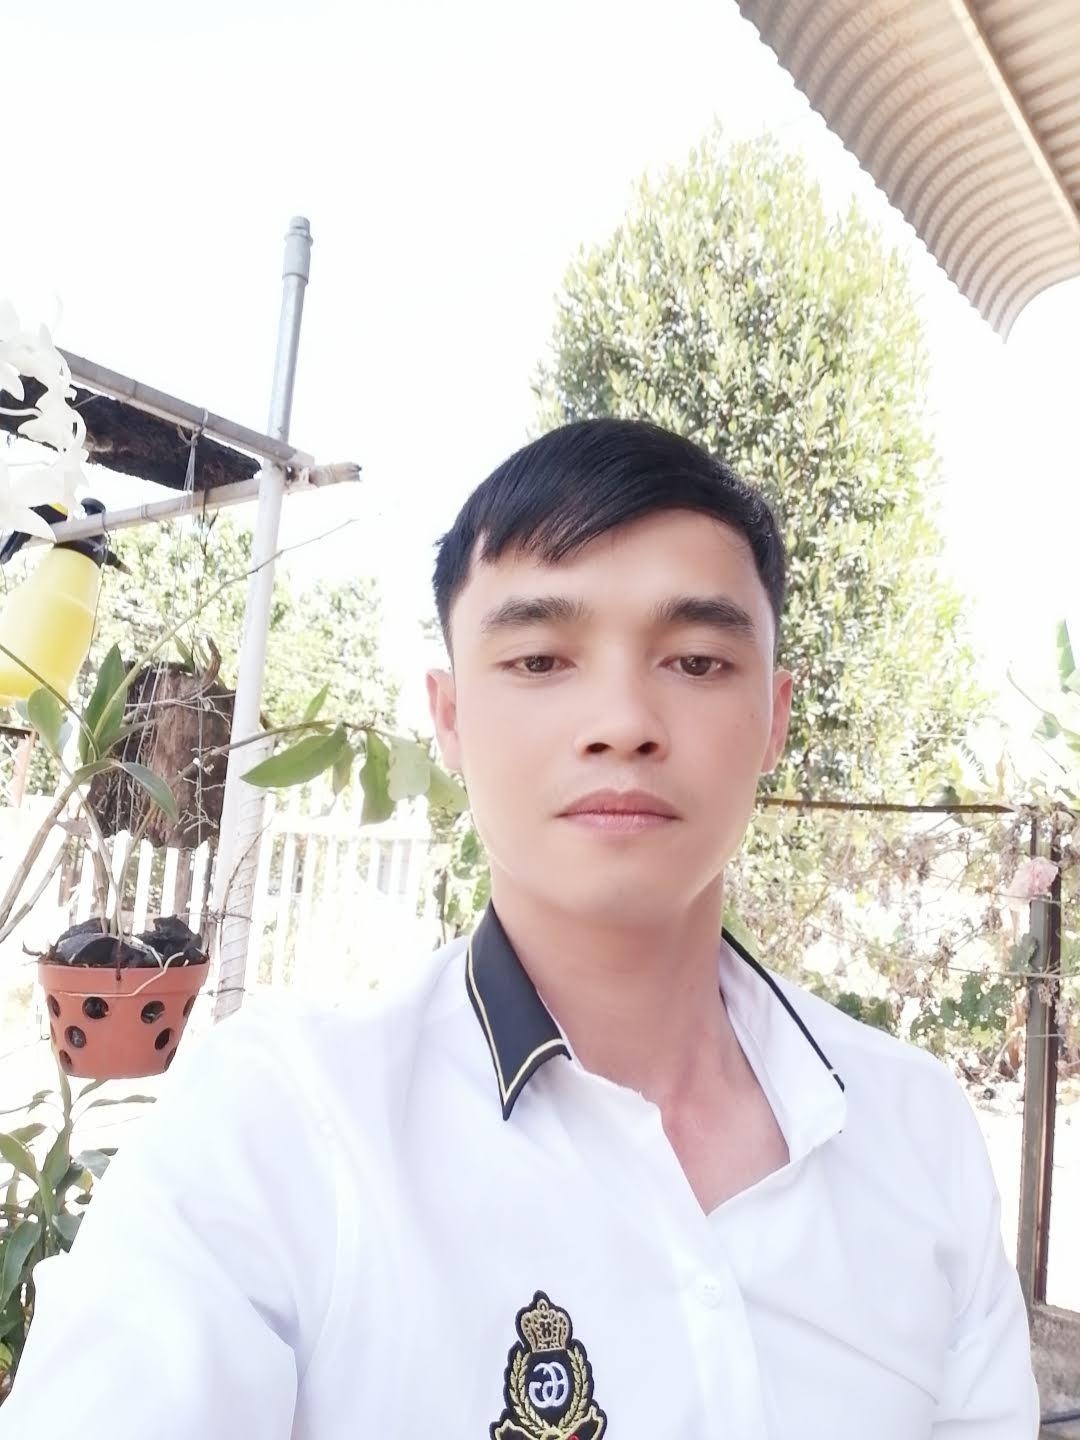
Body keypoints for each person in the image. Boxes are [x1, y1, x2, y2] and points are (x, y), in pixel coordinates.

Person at [1, 418, 1038, 1438]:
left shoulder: (918, 1132)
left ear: (775, 717)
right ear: (449, 717)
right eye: (541, 660)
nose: (623, 722)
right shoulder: (277, 1133)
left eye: (696, 661)